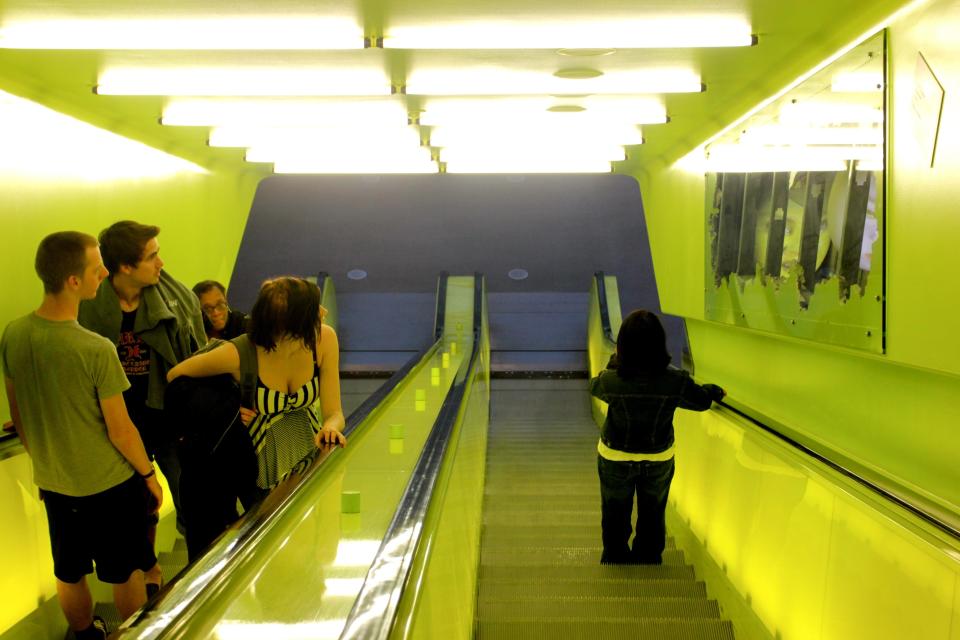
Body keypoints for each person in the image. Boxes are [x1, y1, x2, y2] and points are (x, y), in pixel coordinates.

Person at [1, 232, 162, 639]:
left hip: (55, 485)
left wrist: (46, 466)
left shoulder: (14, 334)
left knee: (69, 571)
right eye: (97, 268)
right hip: (109, 484)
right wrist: (148, 475)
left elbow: (19, 415)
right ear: (74, 281)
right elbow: (121, 430)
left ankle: (87, 634)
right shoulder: (95, 349)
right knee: (123, 571)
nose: (105, 274)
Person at [77, 220, 205, 592]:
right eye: (152, 257)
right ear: (124, 268)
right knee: (134, 509)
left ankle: (201, 576)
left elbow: (197, 354)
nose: (161, 263)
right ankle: (149, 572)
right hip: (117, 425)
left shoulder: (177, 300)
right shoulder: (88, 308)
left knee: (190, 497)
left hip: (169, 417)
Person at [167, 276, 345, 494]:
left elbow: (334, 412)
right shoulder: (239, 353)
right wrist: (228, 406)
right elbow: (176, 376)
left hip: (309, 454)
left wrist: (330, 428)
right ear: (293, 322)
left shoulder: (324, 340)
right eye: (313, 308)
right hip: (254, 466)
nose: (323, 312)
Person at [588, 309, 725, 565]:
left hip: (615, 455)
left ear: (622, 346)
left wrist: (614, 363)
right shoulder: (675, 382)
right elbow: (701, 401)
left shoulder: (610, 381)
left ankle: (615, 556)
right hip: (658, 457)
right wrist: (713, 391)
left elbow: (595, 387)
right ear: (659, 344)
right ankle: (648, 557)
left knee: (615, 509)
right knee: (653, 510)